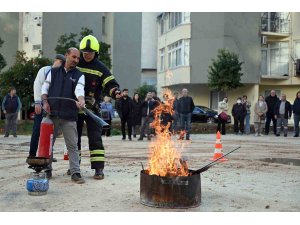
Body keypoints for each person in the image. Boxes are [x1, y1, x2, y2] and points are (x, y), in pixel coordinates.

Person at [76, 35, 120, 180]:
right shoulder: (75, 63)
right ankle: (74, 167)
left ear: (96, 52)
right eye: (85, 51)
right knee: (73, 139)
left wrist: (115, 92)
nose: (87, 54)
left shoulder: (100, 68)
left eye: (90, 52)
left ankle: (98, 169)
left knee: (95, 138)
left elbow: (110, 83)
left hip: (92, 109)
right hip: (74, 107)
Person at [41, 47, 85, 183]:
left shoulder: (79, 75)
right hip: (51, 113)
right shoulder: (53, 72)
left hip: (69, 115)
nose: (76, 60)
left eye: (78, 58)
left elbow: (79, 90)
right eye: (74, 57)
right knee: (47, 144)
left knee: (72, 145)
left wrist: (81, 100)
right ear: (66, 55)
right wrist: (44, 101)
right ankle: (47, 169)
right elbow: (45, 88)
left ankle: (75, 172)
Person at [28, 54, 65, 158]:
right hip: (40, 105)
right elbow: (37, 85)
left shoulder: (60, 75)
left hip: (52, 107)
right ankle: (32, 154)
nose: (60, 65)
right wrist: (37, 102)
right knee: (37, 130)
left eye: (62, 64)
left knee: (51, 132)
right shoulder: (44, 70)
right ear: (55, 61)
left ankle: (48, 155)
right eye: (59, 62)